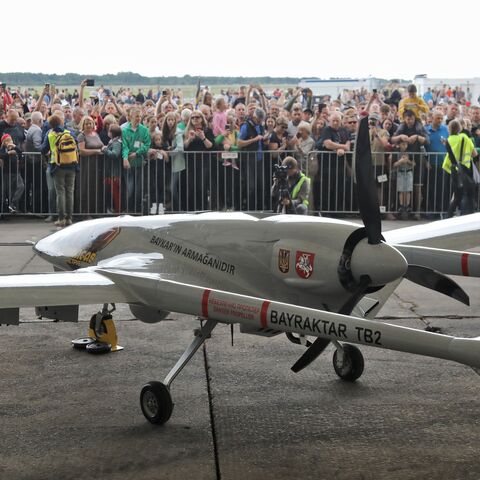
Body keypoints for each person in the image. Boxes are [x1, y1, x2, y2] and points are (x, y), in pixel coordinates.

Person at [42, 114, 78, 227]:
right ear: (61, 122)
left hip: (57, 165)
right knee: (70, 192)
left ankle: (61, 218)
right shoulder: (69, 133)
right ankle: (69, 218)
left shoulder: (50, 134)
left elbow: (43, 149)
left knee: (60, 192)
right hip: (72, 164)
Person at [442, 120, 477, 217]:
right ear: (460, 128)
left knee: (457, 196)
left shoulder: (448, 140)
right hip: (465, 169)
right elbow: (474, 153)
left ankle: (448, 216)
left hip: (453, 169)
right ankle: (469, 216)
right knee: (470, 194)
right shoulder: (465, 138)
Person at [121, 107, 151, 213]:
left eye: (139, 116)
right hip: (129, 165)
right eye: (136, 116)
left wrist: (137, 153)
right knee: (130, 189)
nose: (138, 118)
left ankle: (137, 211)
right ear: (131, 117)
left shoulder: (144, 130)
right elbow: (124, 146)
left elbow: (147, 144)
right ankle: (129, 210)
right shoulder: (124, 130)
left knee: (139, 190)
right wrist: (125, 158)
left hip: (139, 164)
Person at [77, 116, 104, 217]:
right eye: (86, 123)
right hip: (86, 166)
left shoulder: (96, 134)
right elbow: (82, 151)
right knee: (86, 188)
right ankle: (85, 212)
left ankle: (95, 211)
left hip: (97, 165)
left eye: (90, 123)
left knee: (95, 188)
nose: (89, 125)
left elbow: (101, 146)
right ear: (83, 125)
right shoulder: (81, 136)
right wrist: (96, 151)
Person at [0, 133, 25, 215]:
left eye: (10, 140)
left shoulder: (14, 148)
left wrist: (14, 146)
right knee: (8, 190)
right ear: (3, 142)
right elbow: (1, 156)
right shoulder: (2, 150)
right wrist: (8, 153)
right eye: (7, 140)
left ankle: (13, 203)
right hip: (6, 173)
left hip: (16, 172)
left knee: (20, 186)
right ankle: (9, 208)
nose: (9, 142)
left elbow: (20, 152)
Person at [101, 124, 123, 214]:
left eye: (109, 130)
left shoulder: (117, 143)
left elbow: (115, 154)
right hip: (111, 172)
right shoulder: (112, 141)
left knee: (116, 193)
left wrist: (105, 150)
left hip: (115, 173)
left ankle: (118, 211)